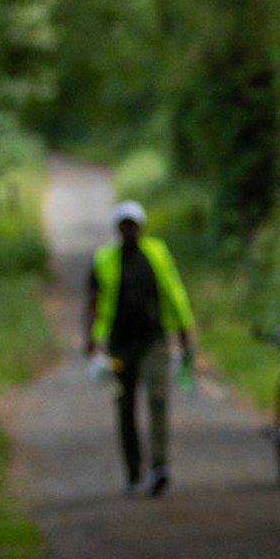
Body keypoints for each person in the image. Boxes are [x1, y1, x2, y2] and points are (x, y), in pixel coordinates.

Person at [83, 201, 193, 498]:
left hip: (154, 340)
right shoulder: (104, 258)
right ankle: (133, 471)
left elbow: (175, 291)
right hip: (120, 345)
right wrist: (90, 338)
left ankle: (159, 466)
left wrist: (185, 331)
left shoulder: (157, 253)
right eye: (124, 225)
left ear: (141, 227)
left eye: (133, 224)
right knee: (125, 407)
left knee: (158, 398)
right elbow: (93, 299)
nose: (129, 230)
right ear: (117, 229)